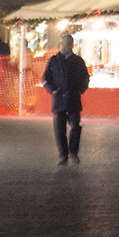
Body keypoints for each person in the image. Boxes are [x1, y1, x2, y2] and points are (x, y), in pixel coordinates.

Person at [42, 33, 90, 163]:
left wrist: (81, 89)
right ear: (61, 44)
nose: (67, 46)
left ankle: (73, 152)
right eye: (65, 44)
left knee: (75, 126)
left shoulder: (78, 61)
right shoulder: (54, 60)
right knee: (60, 129)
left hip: (74, 97)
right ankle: (63, 155)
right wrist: (52, 89)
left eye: (69, 44)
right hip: (59, 99)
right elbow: (46, 78)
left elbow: (85, 77)